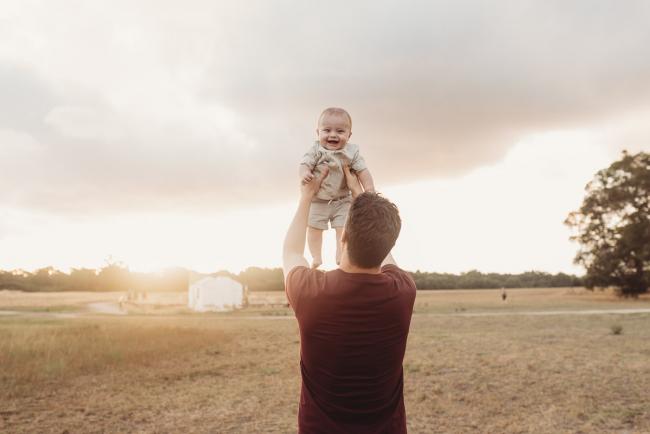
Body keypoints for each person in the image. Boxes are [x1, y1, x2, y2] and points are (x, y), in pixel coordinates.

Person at [283, 164, 416, 433]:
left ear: (343, 236)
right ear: (390, 244)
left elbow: (291, 251)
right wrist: (360, 193)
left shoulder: (310, 291)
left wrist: (306, 197)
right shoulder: (403, 290)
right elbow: (383, 251)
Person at [299, 107, 375, 268]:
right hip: (318, 200)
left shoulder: (351, 152)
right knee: (313, 229)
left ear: (349, 135)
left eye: (340, 131)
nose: (333, 135)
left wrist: (369, 189)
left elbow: (363, 171)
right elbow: (304, 163)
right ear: (318, 132)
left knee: (344, 228)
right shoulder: (316, 150)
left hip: (342, 200)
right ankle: (316, 256)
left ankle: (341, 255)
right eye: (327, 130)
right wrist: (305, 173)